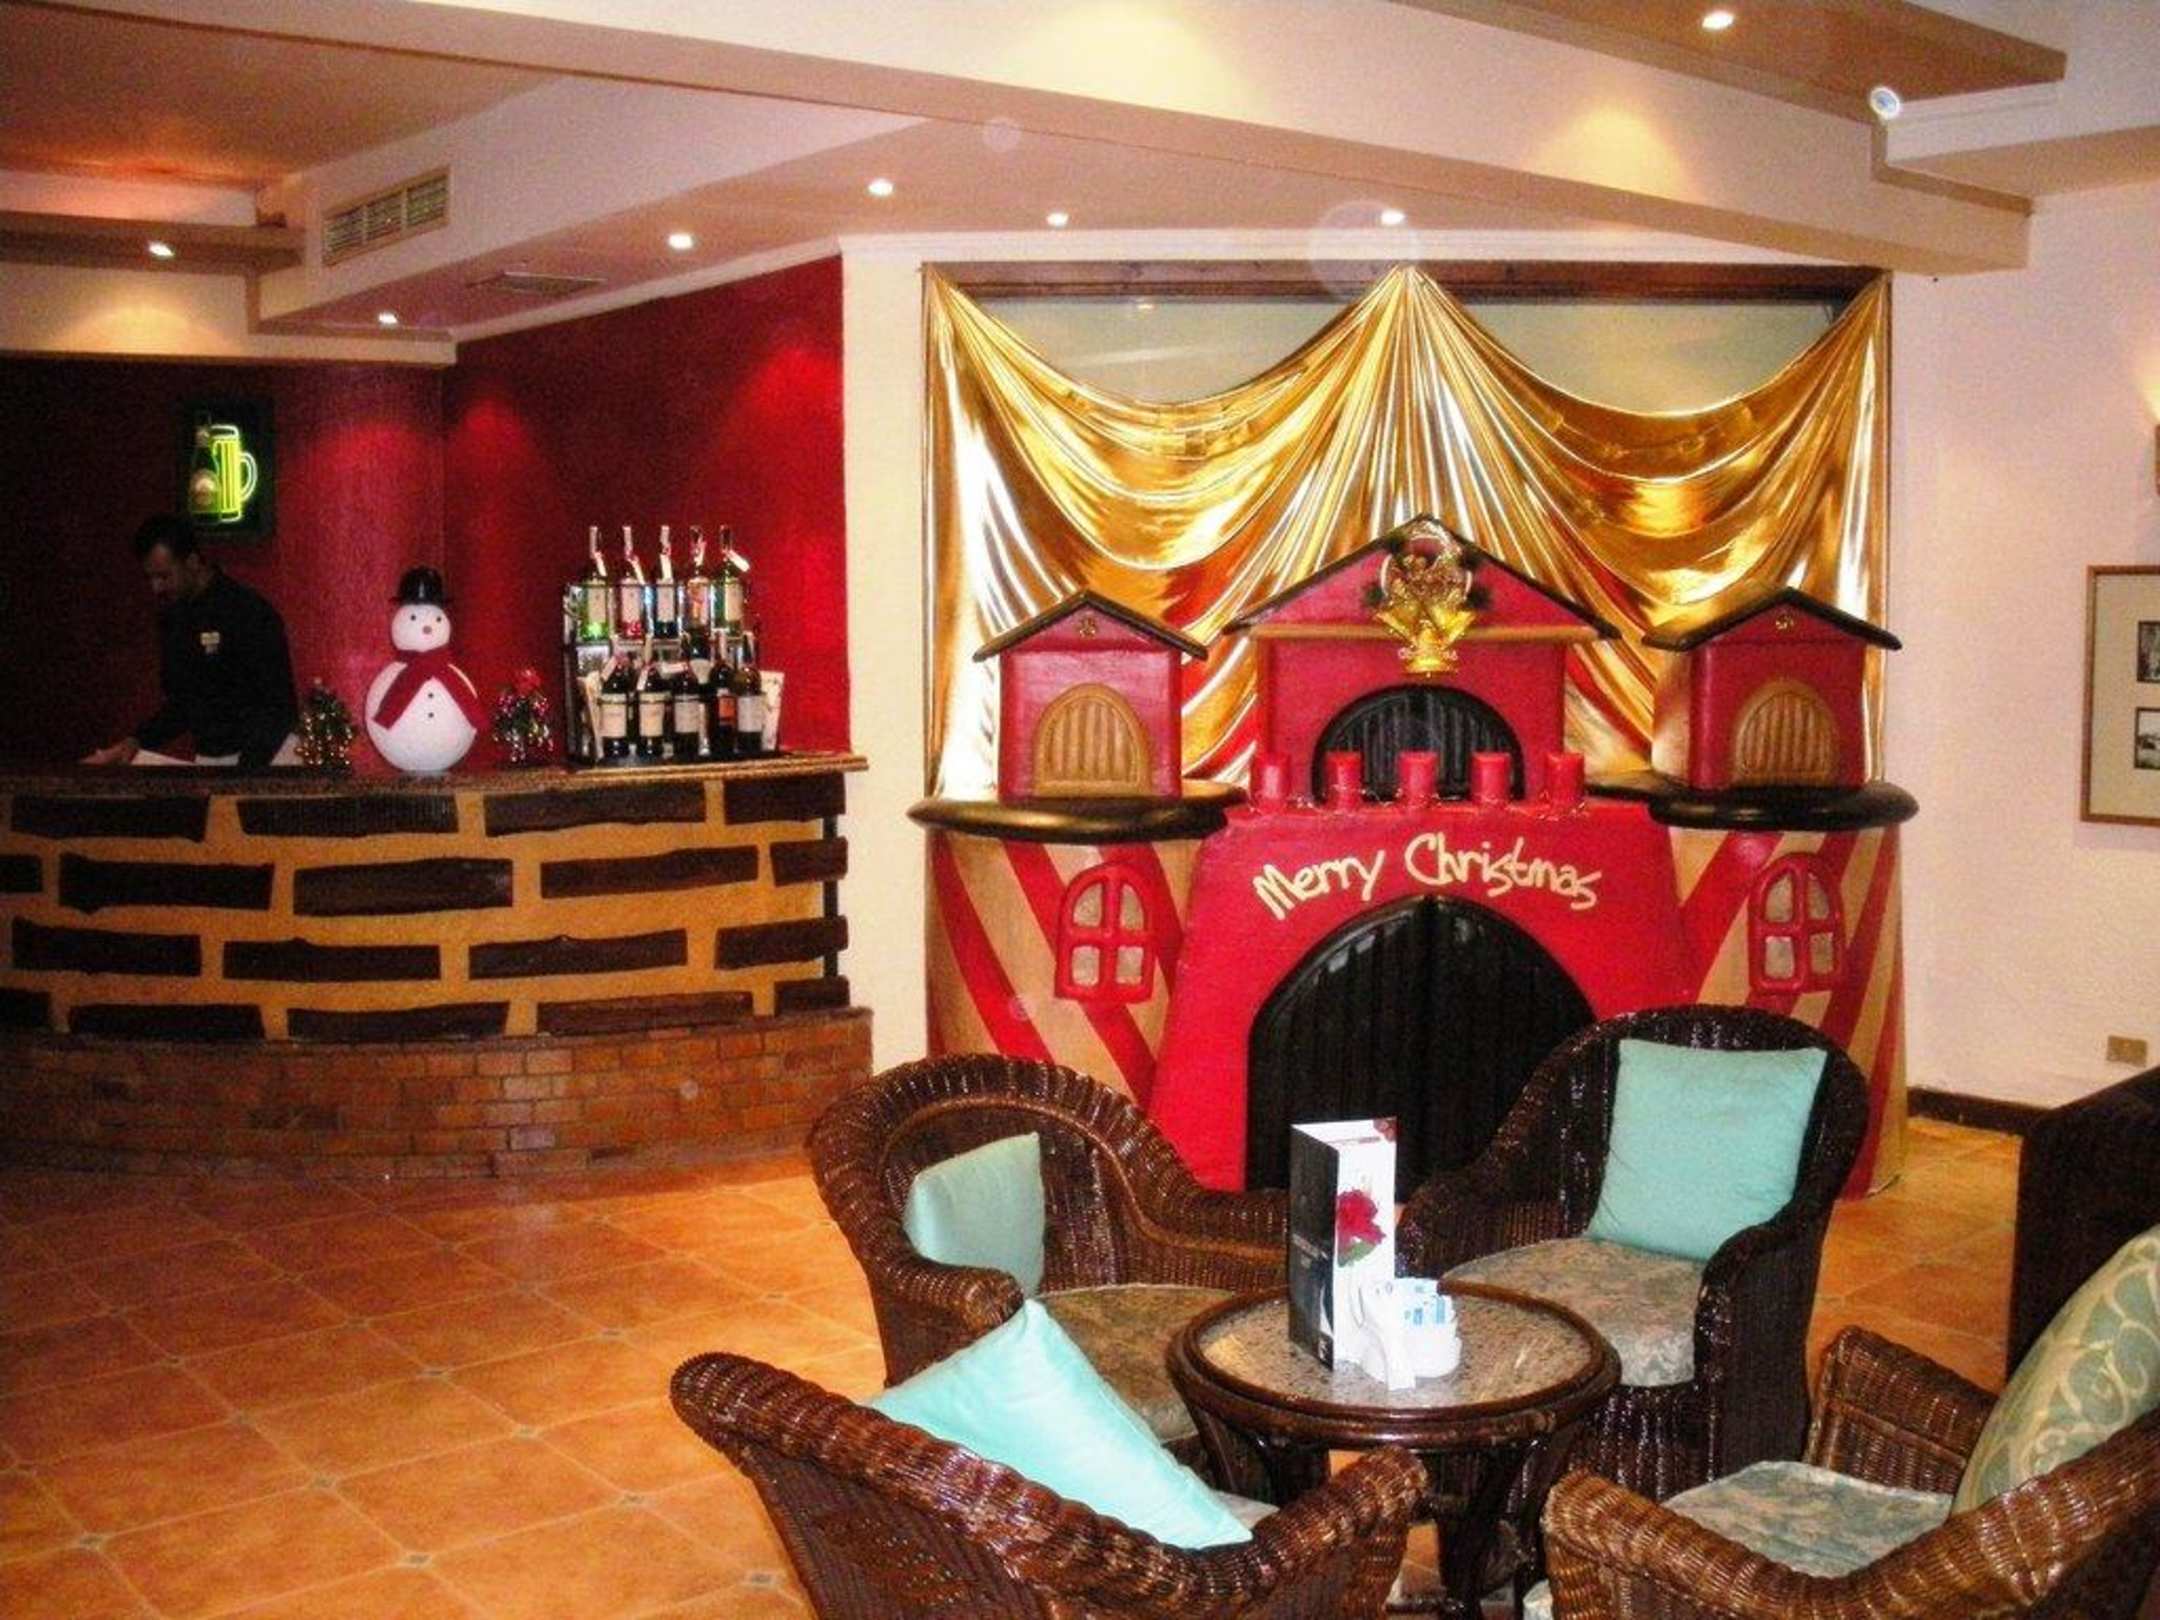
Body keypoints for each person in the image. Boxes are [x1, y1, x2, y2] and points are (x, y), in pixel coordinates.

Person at [86, 515, 299, 768]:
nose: (156, 588)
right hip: (213, 759)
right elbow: (183, 704)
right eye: (151, 578)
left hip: (267, 760)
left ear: (192, 562)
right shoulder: (174, 619)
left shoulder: (247, 611)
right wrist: (136, 741)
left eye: (164, 576)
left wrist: (246, 772)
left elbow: (277, 708)